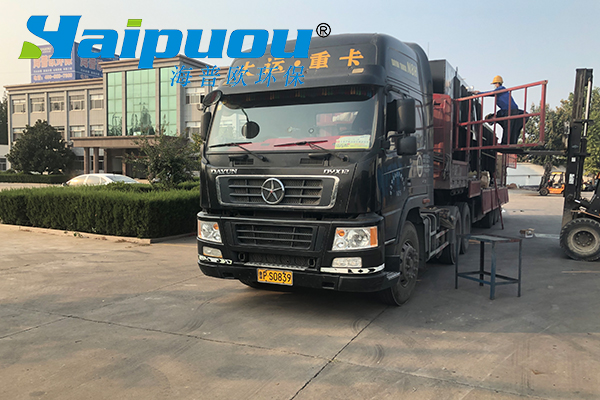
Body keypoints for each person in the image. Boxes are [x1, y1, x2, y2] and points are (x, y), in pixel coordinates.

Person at [474, 75, 525, 145]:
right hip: (512, 110)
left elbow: (491, 93)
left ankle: (505, 144)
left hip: (510, 110)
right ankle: (511, 143)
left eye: (495, 84)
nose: (495, 85)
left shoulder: (501, 89)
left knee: (508, 127)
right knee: (512, 129)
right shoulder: (502, 93)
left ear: (497, 83)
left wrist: (479, 93)